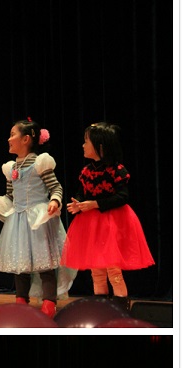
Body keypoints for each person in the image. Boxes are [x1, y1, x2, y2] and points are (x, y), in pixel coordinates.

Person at [0, 118, 75, 319]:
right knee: (21, 265)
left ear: (26, 139)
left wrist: (54, 200)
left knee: (45, 264)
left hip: (38, 219)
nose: (9, 139)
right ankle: (21, 301)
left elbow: (56, 187)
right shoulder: (11, 168)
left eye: (12, 135)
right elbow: (10, 197)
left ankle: (49, 302)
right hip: (18, 221)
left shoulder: (40, 163)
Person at [61, 122, 155, 310]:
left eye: (86, 141)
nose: (83, 145)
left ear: (100, 146)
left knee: (113, 268)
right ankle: (101, 308)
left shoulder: (116, 170)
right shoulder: (86, 171)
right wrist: (78, 204)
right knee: (96, 269)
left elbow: (122, 197)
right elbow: (82, 192)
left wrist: (95, 204)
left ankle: (120, 307)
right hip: (91, 224)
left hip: (112, 223)